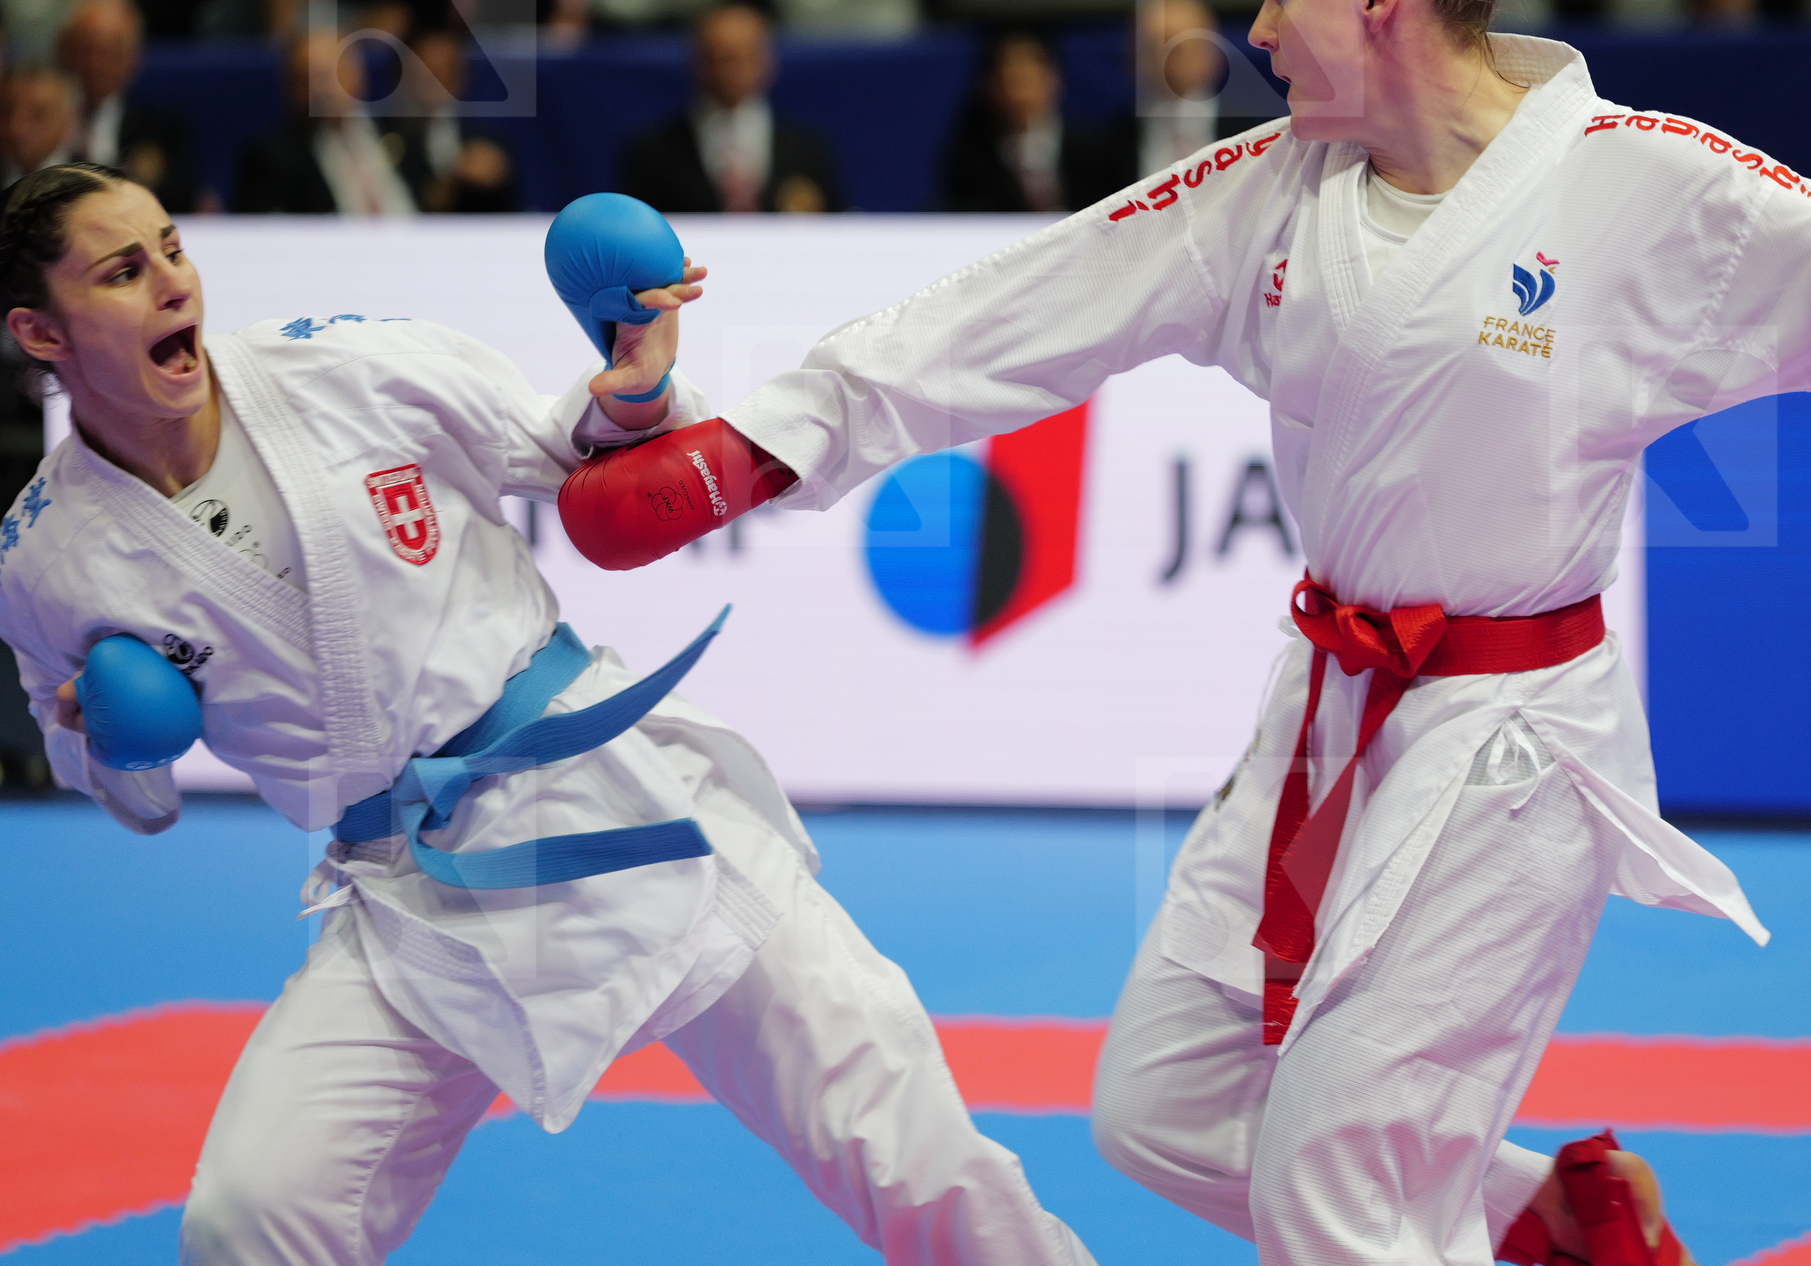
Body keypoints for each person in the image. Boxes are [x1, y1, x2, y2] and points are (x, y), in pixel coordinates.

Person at [559, 0, 1811, 1266]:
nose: (1252, 32)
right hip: (1332, 707)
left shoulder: (1640, 184)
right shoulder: (1273, 185)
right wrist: (761, 444)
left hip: (1511, 738)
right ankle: (1539, 1216)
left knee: (1342, 1188)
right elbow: (1021, 309)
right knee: (1167, 1107)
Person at [0, 158, 1101, 1266]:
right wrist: (111, 732)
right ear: (43, 335)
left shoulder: (337, 367)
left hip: (620, 807)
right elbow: (130, 797)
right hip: (415, 895)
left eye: (173, 248)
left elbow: (556, 448)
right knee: (254, 1216)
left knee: (912, 1158)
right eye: (123, 272)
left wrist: (627, 388)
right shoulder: (47, 559)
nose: (173, 285)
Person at [621, 3, 845, 214]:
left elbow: (836, 227)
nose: (729, 71)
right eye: (718, 58)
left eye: (741, 57)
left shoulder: (806, 149)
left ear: (766, 62)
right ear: (698, 64)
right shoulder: (653, 153)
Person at [937, 30, 1128, 214]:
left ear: (1053, 78)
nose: (1020, 93)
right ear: (990, 87)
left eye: (1028, 78)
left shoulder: (1096, 150)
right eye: (1010, 79)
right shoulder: (970, 160)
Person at [231, 34, 417, 216]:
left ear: (358, 74)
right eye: (308, 77)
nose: (321, 88)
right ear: (290, 87)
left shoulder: (399, 134)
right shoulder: (273, 157)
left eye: (330, 74)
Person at [59, 0, 202, 214]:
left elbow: (182, 200)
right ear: (64, 51)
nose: (96, 63)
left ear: (133, 58)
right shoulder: (34, 118)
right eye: (87, 49)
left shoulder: (161, 127)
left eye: (109, 52)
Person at [1109, 0, 1269, 183]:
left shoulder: (1255, 139)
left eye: (1182, 47)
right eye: (1154, 48)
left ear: (1215, 53)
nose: (1167, 61)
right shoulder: (1100, 149)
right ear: (1131, 57)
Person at [383, 29, 521, 212]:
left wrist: (497, 176)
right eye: (425, 71)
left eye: (444, 72)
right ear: (401, 75)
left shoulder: (486, 139)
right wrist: (450, 182)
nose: (434, 82)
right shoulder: (381, 137)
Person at [3, 66, 82, 185]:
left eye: (37, 115)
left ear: (68, 120)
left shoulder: (88, 181)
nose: (17, 128)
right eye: (7, 112)